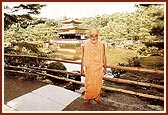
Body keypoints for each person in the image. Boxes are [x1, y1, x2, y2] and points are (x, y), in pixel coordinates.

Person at [81, 28, 107, 106]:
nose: (94, 37)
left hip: (98, 68)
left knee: (97, 84)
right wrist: (81, 68)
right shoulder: (85, 44)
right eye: (92, 35)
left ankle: (97, 98)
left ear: (98, 36)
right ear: (90, 36)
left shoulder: (101, 44)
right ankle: (87, 98)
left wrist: (105, 67)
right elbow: (82, 56)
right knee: (88, 83)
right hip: (89, 67)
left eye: (95, 35)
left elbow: (104, 56)